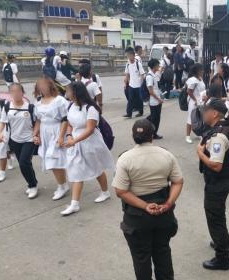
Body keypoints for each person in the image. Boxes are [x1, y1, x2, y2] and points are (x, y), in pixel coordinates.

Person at [113, 119, 184, 280]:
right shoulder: (166, 155)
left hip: (137, 216)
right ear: (152, 135)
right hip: (163, 212)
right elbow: (178, 181)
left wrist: (144, 206)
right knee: (162, 249)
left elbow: (120, 191)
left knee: (141, 255)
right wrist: (168, 203)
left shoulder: (125, 159)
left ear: (133, 136)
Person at [60, 82, 114, 216]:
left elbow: (90, 129)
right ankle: (75, 204)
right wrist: (68, 135)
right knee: (76, 170)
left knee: (97, 168)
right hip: (75, 141)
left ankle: (105, 192)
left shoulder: (91, 108)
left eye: (68, 91)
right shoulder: (71, 106)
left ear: (76, 93)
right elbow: (70, 124)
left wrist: (74, 141)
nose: (66, 94)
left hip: (90, 142)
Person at [196, 98, 229, 270]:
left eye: (205, 111)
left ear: (214, 113)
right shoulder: (227, 127)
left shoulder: (219, 136)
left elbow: (216, 165)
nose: (203, 114)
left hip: (217, 182)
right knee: (218, 214)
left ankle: (222, 258)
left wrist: (200, 153)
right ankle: (224, 242)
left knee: (215, 218)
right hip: (223, 180)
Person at [0, 83, 39, 199]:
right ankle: (33, 181)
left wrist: (35, 134)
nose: (16, 94)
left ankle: (32, 186)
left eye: (18, 91)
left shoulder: (30, 107)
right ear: (10, 93)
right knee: (26, 164)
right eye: (13, 91)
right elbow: (2, 122)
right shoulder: (7, 107)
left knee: (23, 162)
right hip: (14, 139)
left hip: (29, 139)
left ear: (23, 92)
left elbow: (37, 122)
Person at [32, 77, 69, 201]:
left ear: (50, 86)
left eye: (44, 85)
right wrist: (35, 135)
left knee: (53, 160)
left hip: (56, 131)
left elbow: (65, 119)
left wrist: (60, 137)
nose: (42, 88)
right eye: (39, 86)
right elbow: (38, 119)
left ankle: (62, 186)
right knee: (53, 161)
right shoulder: (38, 101)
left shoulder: (59, 100)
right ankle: (63, 184)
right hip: (44, 132)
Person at [185, 63, 206, 144]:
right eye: (201, 70)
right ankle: (187, 136)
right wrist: (195, 100)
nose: (203, 71)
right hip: (194, 102)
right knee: (191, 118)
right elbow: (189, 91)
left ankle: (199, 133)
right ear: (197, 71)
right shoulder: (193, 80)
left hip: (201, 100)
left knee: (200, 118)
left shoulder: (200, 78)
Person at [124, 47, 145, 118]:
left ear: (133, 55)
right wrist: (125, 83)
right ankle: (129, 113)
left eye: (129, 55)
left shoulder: (138, 64)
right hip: (131, 85)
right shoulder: (127, 64)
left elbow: (142, 74)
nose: (128, 57)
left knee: (139, 99)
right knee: (130, 99)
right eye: (127, 56)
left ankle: (141, 112)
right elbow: (127, 74)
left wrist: (141, 83)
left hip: (138, 85)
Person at [146, 59, 164, 139]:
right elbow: (151, 91)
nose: (159, 67)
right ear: (154, 66)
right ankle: (152, 133)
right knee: (155, 119)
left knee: (156, 117)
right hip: (154, 101)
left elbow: (156, 89)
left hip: (157, 99)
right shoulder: (149, 77)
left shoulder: (154, 75)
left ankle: (153, 133)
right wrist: (158, 99)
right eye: (158, 65)